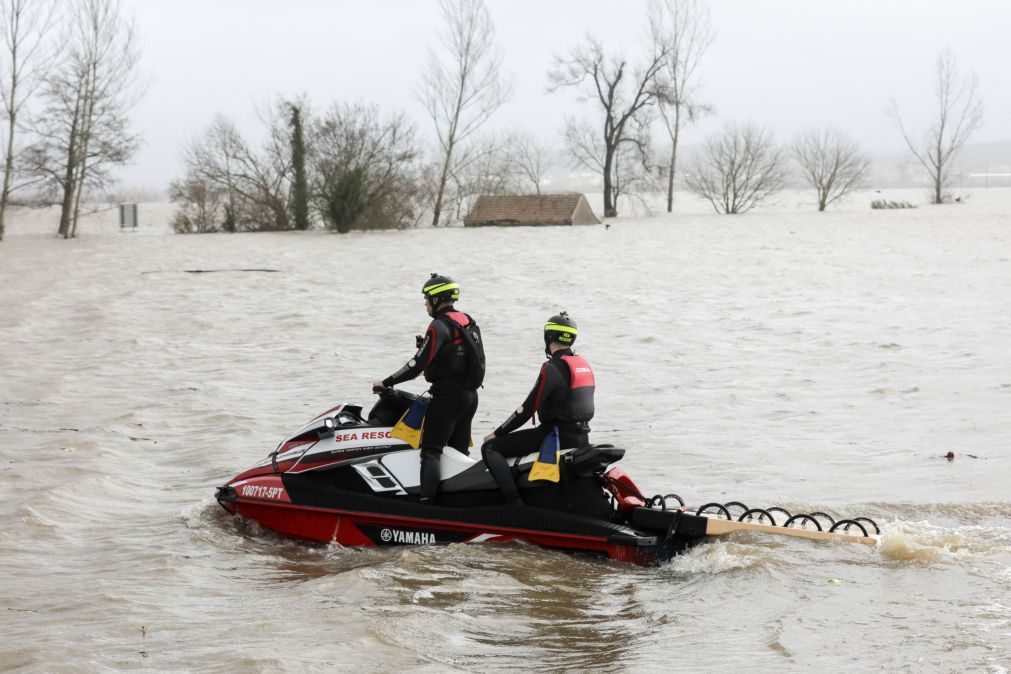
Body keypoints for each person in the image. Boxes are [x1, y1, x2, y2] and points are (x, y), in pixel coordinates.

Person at [373, 273, 483, 504]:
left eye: (426, 299)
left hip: (448, 398)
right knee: (457, 454)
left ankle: (426, 505)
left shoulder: (439, 325)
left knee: (431, 452)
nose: (425, 304)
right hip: (470, 397)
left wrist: (386, 382)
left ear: (437, 299)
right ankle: (460, 502)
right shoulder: (467, 321)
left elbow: (415, 366)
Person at [481, 312, 595, 505]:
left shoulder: (552, 369)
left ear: (548, 337)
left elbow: (526, 410)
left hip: (556, 435)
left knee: (490, 448)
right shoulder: (583, 365)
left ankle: (515, 504)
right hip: (581, 436)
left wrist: (497, 432)